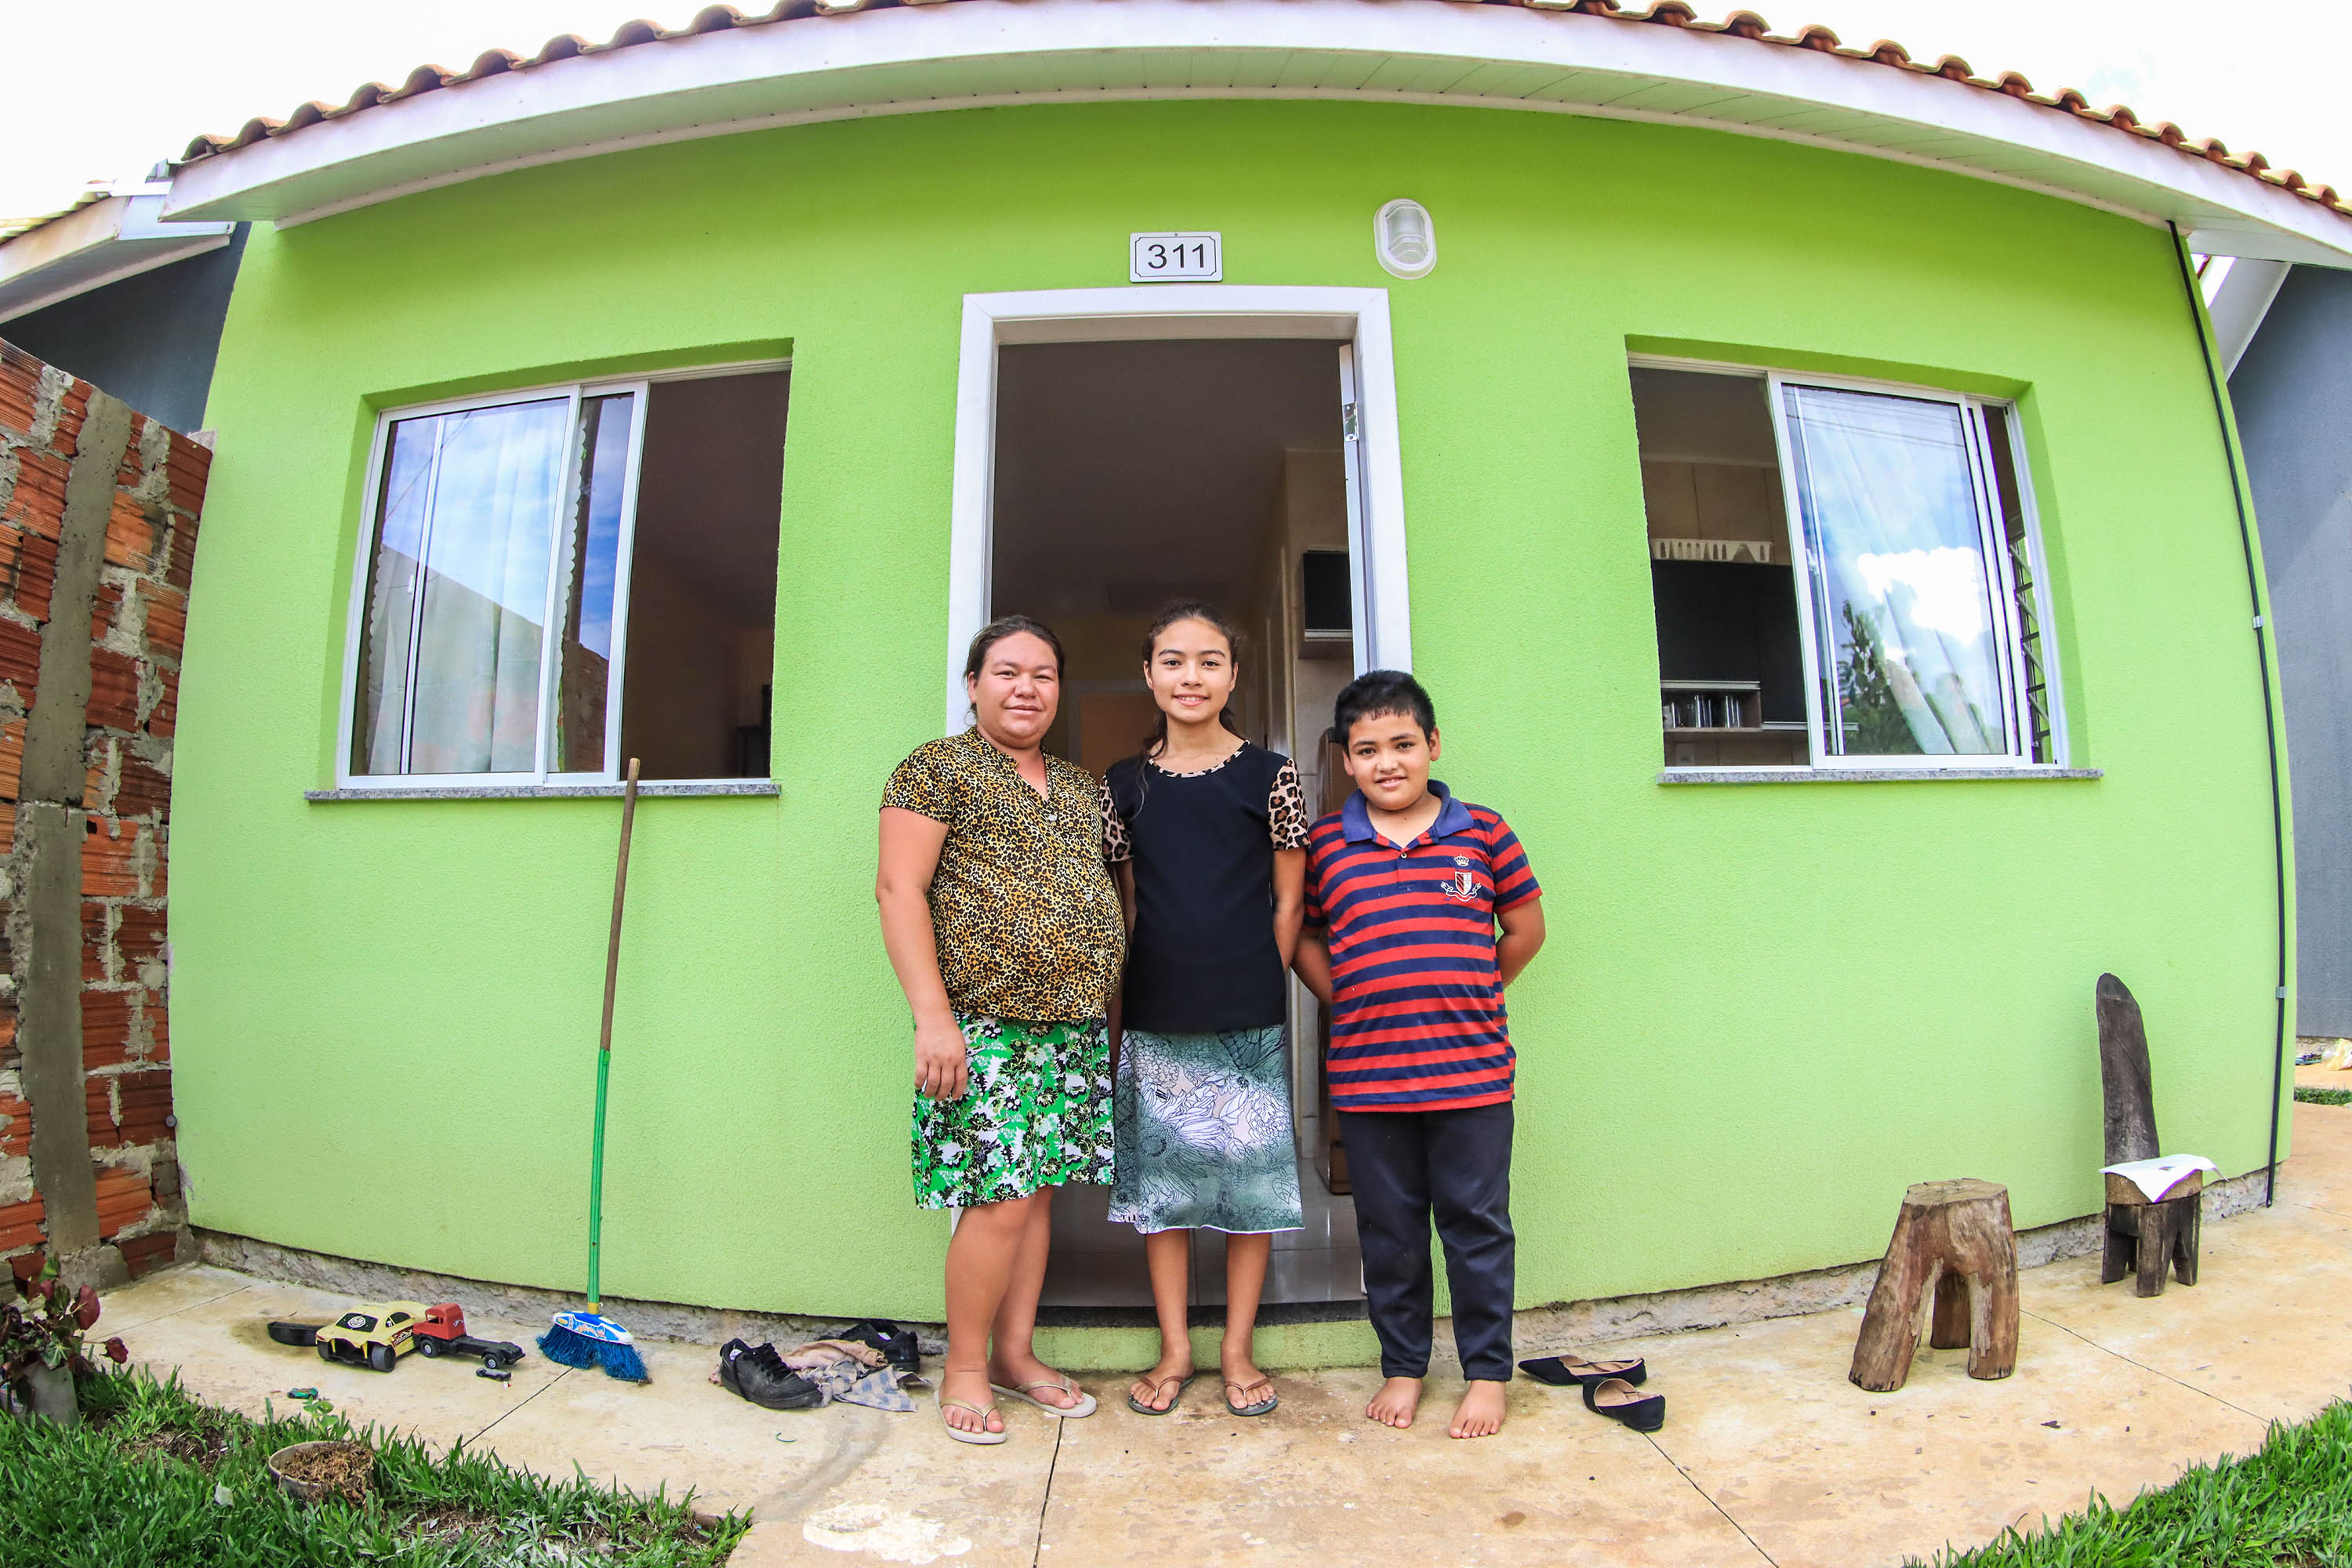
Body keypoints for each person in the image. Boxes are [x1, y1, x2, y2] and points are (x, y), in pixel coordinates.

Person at [876, 615, 1126, 1444]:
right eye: (1008, 671)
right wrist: (933, 1016)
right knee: (1000, 1199)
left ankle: (1017, 1355)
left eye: (1044, 674)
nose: (1027, 687)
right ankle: (966, 1368)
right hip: (983, 1024)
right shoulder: (937, 767)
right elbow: (898, 889)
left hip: (1071, 1029)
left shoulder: (1082, 785)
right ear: (975, 683)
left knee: (1037, 1193)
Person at [1293, 670, 1546, 1440]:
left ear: (1432, 744)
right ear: (1345, 759)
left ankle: (1485, 1372)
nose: (1387, 761)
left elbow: (1526, 929)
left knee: (1477, 1225)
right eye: (1366, 749)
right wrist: (1349, 994)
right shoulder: (1328, 843)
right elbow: (1303, 936)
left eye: (1403, 743)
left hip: (1472, 1076)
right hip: (1370, 1081)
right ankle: (1404, 1364)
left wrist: (1471, 989)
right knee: (1390, 1231)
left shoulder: (1484, 831)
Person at [1098, 604, 1309, 1420]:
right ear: (1150, 675)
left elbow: (1288, 900)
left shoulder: (1272, 775)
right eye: (1175, 661)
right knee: (1166, 1191)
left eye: (1210, 661)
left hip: (1245, 1011)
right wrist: (1122, 1006)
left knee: (1248, 1188)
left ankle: (1236, 1349)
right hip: (1155, 1010)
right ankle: (1177, 1345)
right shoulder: (1124, 784)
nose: (1192, 676)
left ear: (1232, 674)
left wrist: (1259, 975)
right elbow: (1125, 907)